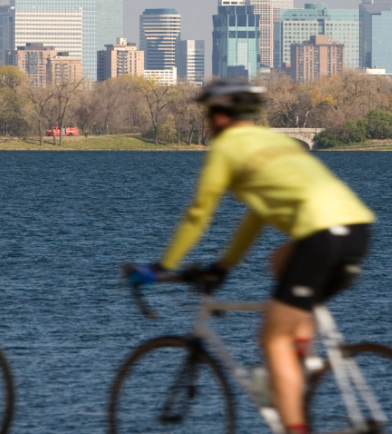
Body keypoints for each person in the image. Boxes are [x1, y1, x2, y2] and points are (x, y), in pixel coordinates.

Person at [129, 81, 376, 434]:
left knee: (272, 339)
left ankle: (294, 423)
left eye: (208, 115)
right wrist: (224, 265)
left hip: (320, 236)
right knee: (278, 264)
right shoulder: (274, 141)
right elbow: (257, 216)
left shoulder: (227, 148)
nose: (206, 123)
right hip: (357, 229)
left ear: (219, 117)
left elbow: (199, 213)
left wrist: (162, 266)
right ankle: (301, 360)